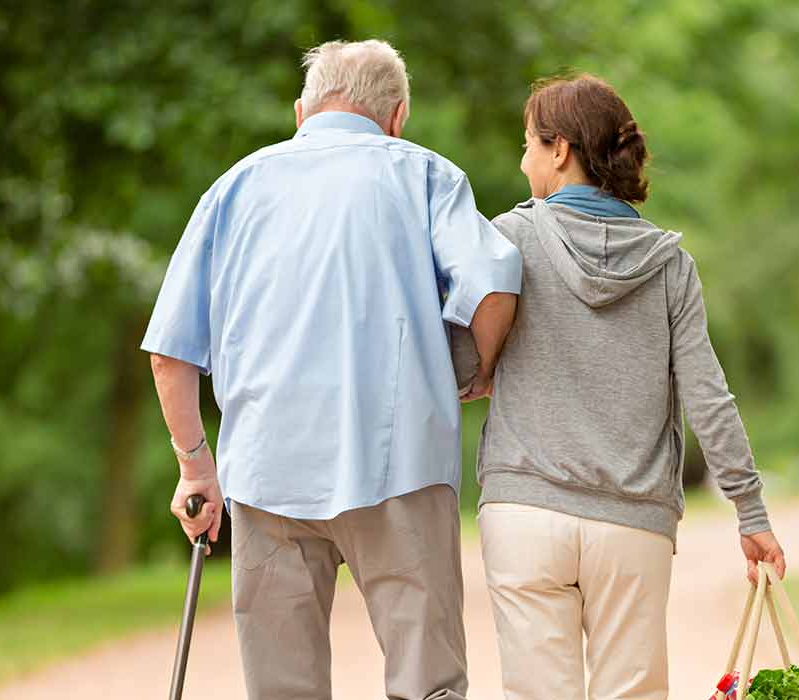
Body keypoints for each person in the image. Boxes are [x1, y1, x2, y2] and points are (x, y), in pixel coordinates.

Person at [142, 39, 521, 700]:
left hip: (267, 470)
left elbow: (170, 352)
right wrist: (474, 369)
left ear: (300, 112)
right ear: (397, 115)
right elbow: (494, 285)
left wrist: (197, 467)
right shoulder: (425, 174)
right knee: (427, 685)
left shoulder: (235, 186)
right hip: (400, 461)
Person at [469, 73, 787, 700]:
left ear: (560, 150)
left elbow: (460, 357)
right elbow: (707, 393)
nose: (523, 158)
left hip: (526, 510)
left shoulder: (507, 238)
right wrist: (749, 509)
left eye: (530, 143)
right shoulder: (669, 264)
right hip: (631, 524)